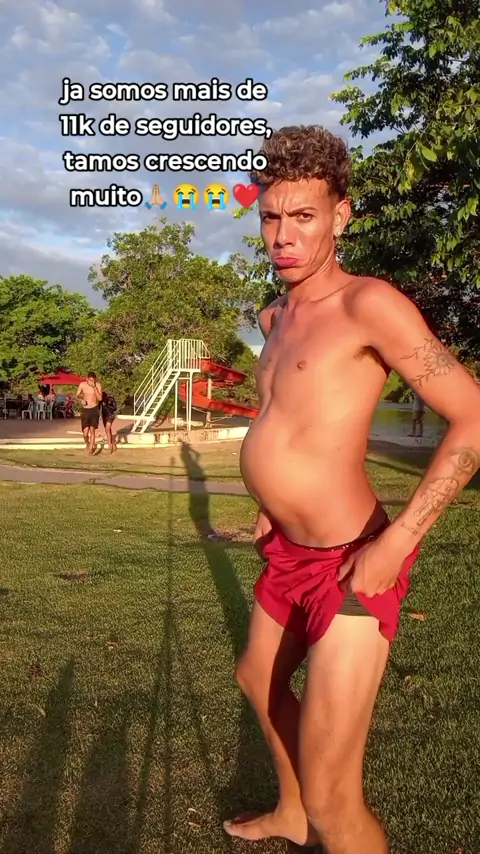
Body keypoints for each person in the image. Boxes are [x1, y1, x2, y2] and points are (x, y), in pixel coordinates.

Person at [224, 125, 480, 854]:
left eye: (304, 216)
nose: (283, 236)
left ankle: (316, 813)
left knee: (337, 800)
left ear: (340, 215)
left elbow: (472, 417)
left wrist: (397, 544)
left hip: (353, 561)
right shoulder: (274, 318)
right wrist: (270, 504)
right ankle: (290, 811)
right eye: (271, 217)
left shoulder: (369, 305)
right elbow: (288, 421)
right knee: (257, 680)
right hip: (288, 552)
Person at [76, 372, 102, 454]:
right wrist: (81, 400)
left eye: (93, 380)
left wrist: (94, 387)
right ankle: (88, 443)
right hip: (85, 410)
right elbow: (77, 395)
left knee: (92, 430)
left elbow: (100, 398)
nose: (91, 382)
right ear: (87, 379)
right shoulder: (82, 385)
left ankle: (91, 448)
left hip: (94, 409)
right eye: (90, 380)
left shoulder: (97, 385)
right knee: (85, 433)